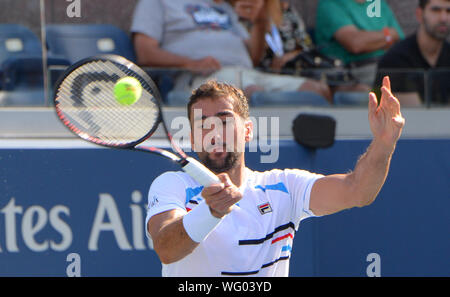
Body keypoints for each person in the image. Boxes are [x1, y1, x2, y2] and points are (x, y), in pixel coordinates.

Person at [145, 76, 405, 276]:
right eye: (203, 124)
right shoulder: (172, 184)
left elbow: (357, 191)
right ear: (192, 138)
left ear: (247, 131)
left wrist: (384, 143)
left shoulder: (284, 186)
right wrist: (210, 211)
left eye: (224, 121)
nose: (214, 132)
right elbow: (166, 249)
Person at [130, 0, 332, 103]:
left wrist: (260, 20)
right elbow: (145, 52)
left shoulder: (224, 8)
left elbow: (252, 58)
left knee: (318, 90)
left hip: (248, 73)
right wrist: (190, 63)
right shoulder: (157, 2)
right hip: (203, 79)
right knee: (251, 93)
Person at [375, 0, 450, 106]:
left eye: (448, 11)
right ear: (419, 14)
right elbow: (415, 115)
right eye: (436, 10)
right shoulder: (396, 59)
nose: (443, 18)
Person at [315, 0, 405, 87]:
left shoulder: (376, 2)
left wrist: (369, 39)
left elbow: (400, 39)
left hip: (391, 66)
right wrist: (388, 35)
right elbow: (355, 44)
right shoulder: (330, 3)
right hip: (354, 73)